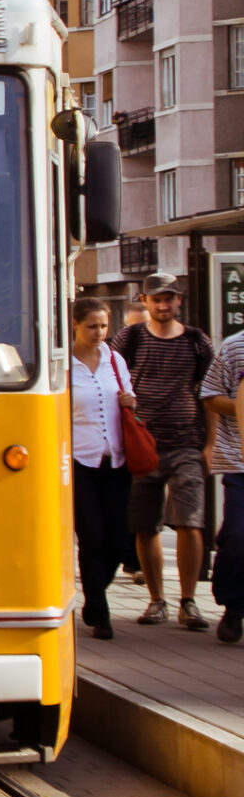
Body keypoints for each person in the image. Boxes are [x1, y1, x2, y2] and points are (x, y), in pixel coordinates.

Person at [109, 274, 216, 629]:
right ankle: (157, 601)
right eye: (157, 299)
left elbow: (210, 393)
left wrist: (210, 444)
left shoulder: (197, 341)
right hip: (142, 443)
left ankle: (189, 601)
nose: (164, 304)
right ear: (145, 300)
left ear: (179, 300)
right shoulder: (131, 337)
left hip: (186, 440)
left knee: (190, 522)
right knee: (145, 525)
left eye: (169, 298)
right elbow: (110, 378)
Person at [70, 297, 133, 640]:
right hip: (81, 460)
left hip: (117, 460)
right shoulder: (64, 364)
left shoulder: (115, 360)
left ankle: (95, 599)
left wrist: (131, 401)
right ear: (76, 324)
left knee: (119, 541)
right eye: (92, 326)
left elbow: (128, 396)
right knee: (92, 537)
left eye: (104, 326)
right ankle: (101, 610)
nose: (99, 333)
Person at [198, 326, 244, 644]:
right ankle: (233, 606)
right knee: (239, 536)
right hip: (240, 462)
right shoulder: (234, 347)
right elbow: (210, 396)